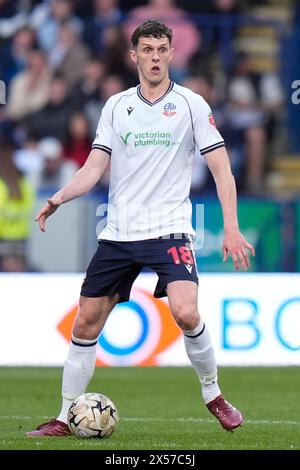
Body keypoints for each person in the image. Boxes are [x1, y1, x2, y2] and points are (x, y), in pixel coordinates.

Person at [26, 19, 255, 437]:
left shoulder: (191, 104)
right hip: (118, 234)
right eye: (146, 49)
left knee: (186, 311)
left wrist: (232, 227)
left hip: (168, 230)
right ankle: (63, 417)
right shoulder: (115, 106)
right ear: (134, 55)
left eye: (161, 49)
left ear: (171, 53)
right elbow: (95, 167)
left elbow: (222, 169)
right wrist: (59, 197)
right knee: (85, 323)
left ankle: (214, 395)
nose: (154, 57)